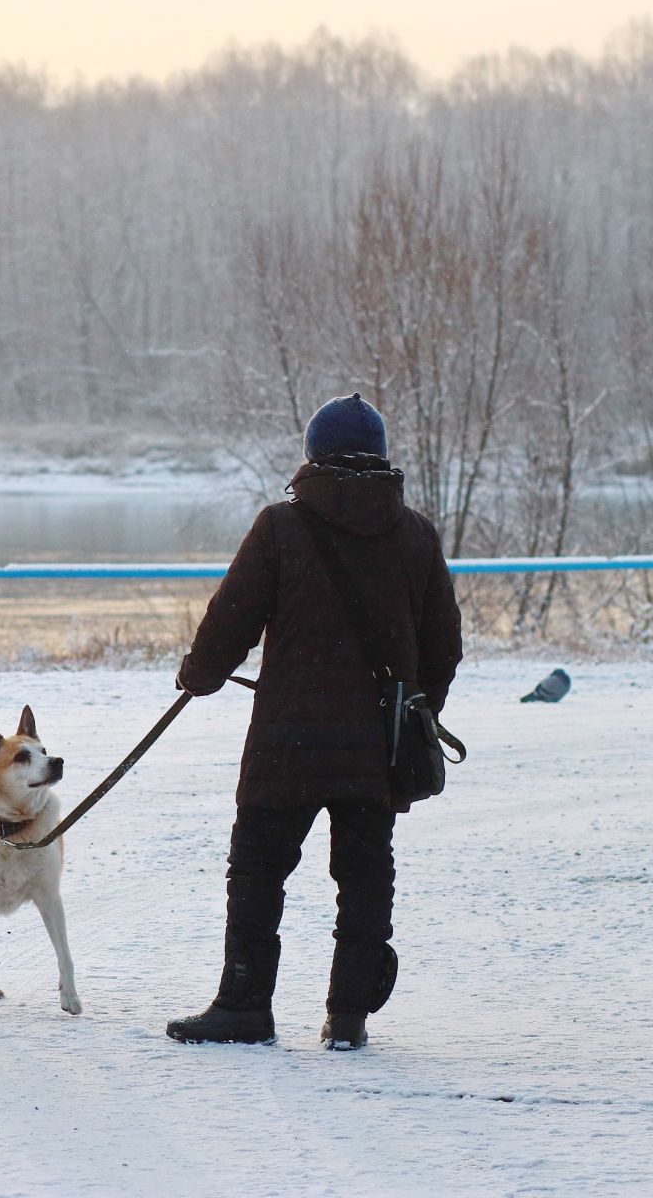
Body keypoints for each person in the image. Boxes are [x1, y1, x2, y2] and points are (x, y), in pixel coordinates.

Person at [166, 393, 462, 1050]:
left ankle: (244, 1004)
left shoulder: (280, 527)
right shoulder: (414, 536)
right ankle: (348, 1017)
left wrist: (199, 675)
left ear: (313, 456)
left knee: (257, 870)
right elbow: (444, 644)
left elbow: (231, 620)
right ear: (381, 458)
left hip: (285, 743)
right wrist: (415, 711)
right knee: (363, 875)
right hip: (372, 748)